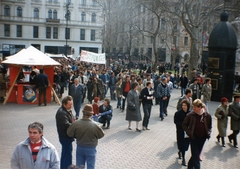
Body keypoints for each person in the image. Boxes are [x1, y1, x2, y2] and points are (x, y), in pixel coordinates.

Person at [67, 104, 105, 169]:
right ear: (91, 114)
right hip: (91, 148)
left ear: (83, 113)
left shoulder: (76, 123)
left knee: (79, 166)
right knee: (91, 166)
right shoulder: (95, 125)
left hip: (80, 147)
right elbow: (101, 135)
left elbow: (69, 133)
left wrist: (76, 135)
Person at [182, 99, 212, 169]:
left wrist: (209, 133)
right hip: (194, 138)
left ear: (200, 107)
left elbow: (209, 126)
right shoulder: (190, 115)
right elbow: (184, 125)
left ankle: (189, 167)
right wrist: (188, 132)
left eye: (195, 107)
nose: (193, 108)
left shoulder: (207, 116)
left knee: (196, 154)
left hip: (203, 138)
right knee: (196, 156)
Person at [56, 96, 75, 169]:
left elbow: (72, 120)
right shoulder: (62, 113)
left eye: (72, 104)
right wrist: (76, 127)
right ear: (64, 104)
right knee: (67, 156)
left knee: (65, 154)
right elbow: (66, 125)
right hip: (65, 137)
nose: (71, 106)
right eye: (69, 104)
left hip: (66, 137)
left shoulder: (66, 110)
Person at [174, 100, 191, 166]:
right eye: (183, 105)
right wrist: (183, 125)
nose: (183, 107)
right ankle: (183, 159)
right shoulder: (178, 113)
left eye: (185, 105)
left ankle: (180, 151)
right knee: (181, 144)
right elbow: (176, 121)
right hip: (180, 131)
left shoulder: (190, 113)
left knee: (186, 146)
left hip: (187, 132)